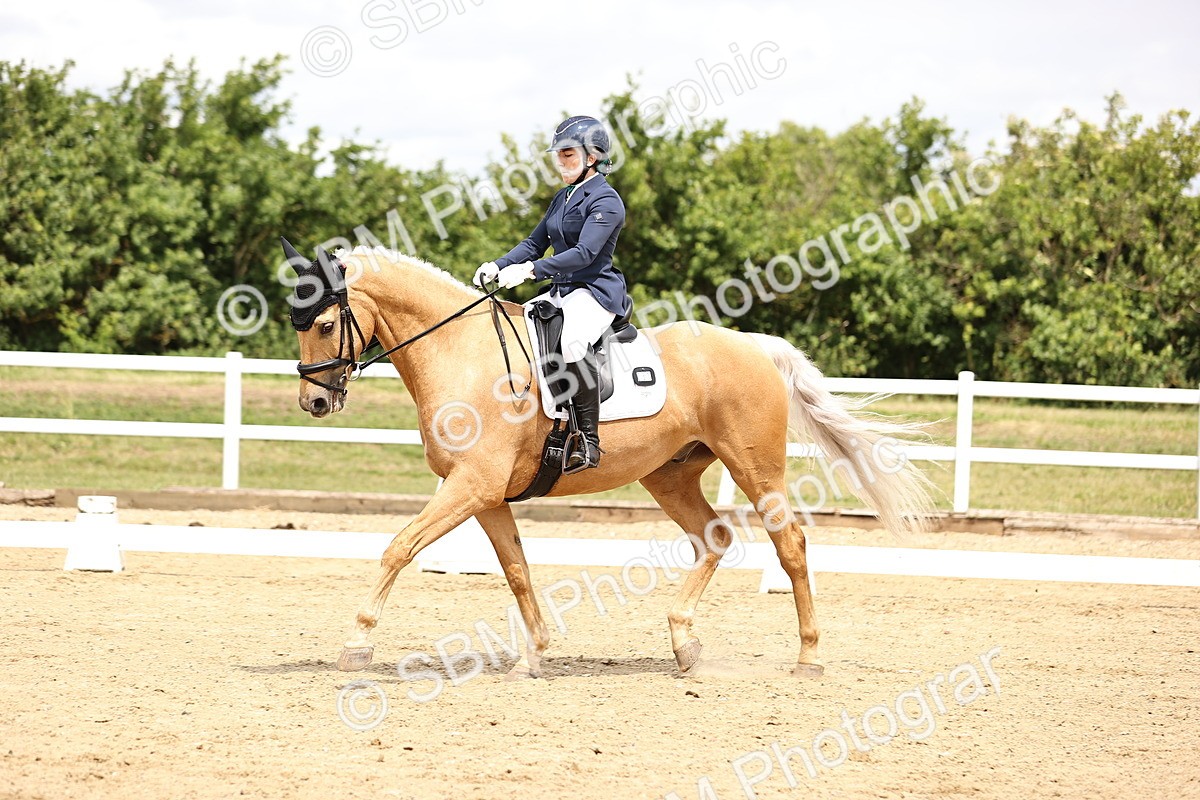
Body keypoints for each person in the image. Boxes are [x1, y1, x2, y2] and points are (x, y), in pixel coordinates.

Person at [474, 115, 628, 471]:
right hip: (560, 290)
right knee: (518, 329)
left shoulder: (607, 200)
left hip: (594, 291)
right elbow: (535, 242)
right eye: (558, 154)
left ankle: (588, 439)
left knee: (573, 342)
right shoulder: (563, 197)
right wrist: (498, 265)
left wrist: (531, 270)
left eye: (568, 154)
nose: (560, 161)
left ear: (592, 157)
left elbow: (585, 254)